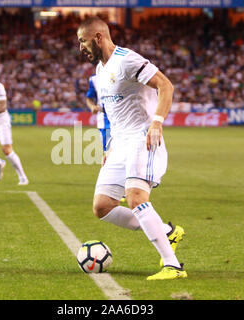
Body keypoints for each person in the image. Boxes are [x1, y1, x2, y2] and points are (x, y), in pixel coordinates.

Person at [77, 17, 187, 280]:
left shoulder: (127, 60)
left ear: (98, 37)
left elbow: (165, 85)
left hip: (142, 137)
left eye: (82, 40)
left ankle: (173, 266)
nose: (80, 47)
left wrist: (157, 123)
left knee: (136, 197)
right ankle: (167, 231)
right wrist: (110, 146)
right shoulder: (100, 71)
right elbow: (116, 114)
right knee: (103, 206)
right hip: (120, 143)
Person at [86, 74, 111, 155]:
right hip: (105, 123)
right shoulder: (94, 79)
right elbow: (89, 99)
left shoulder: (122, 73)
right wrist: (92, 106)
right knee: (109, 155)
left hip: (124, 122)